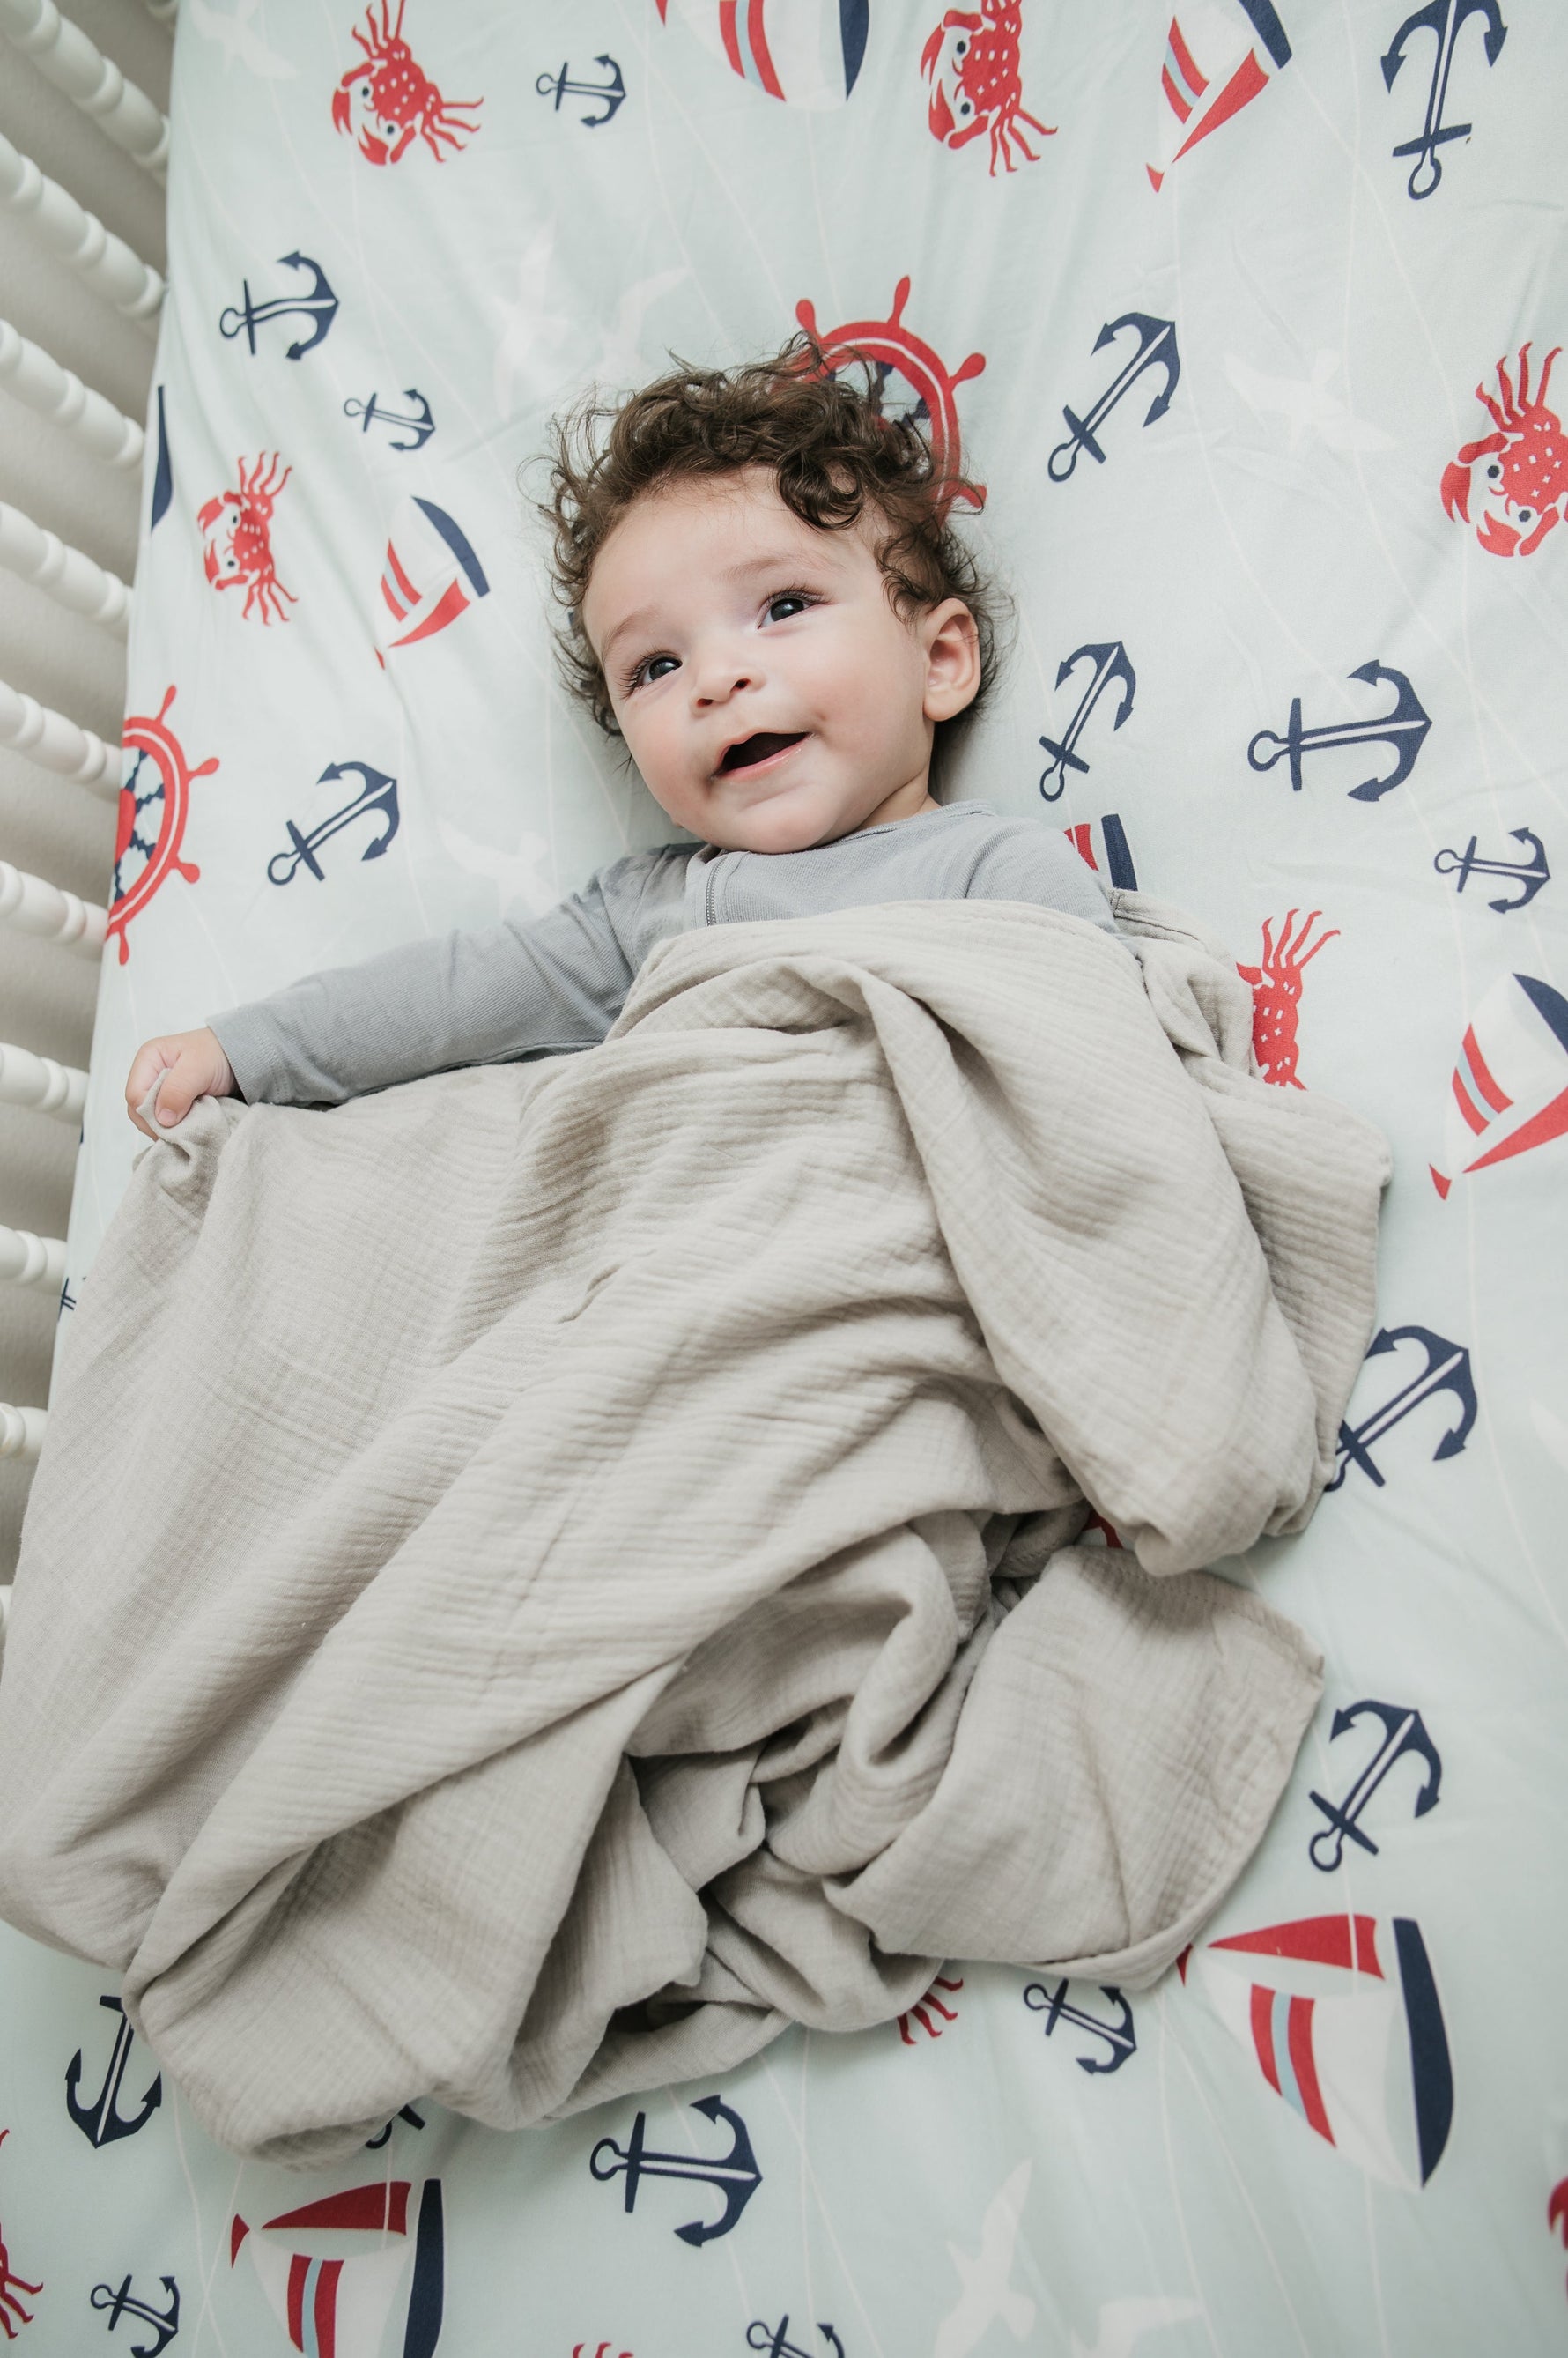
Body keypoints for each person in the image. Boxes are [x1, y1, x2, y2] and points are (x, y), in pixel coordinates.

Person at [125, 337, 1120, 1136]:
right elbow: (448, 998)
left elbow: (1103, 1088)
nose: (717, 679)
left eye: (783, 606)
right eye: (655, 666)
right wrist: (246, 1049)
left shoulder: (996, 873)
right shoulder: (644, 915)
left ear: (939, 661)